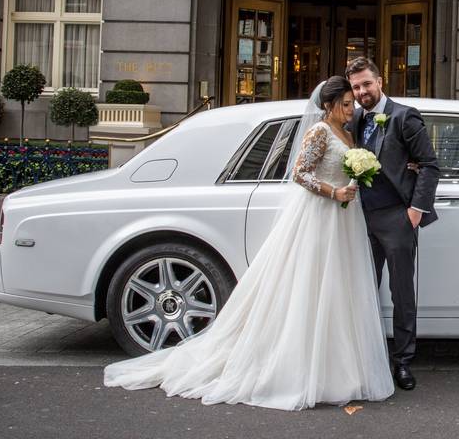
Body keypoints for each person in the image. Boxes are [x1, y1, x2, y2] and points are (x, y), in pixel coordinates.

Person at [103, 76, 394, 410]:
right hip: (321, 217)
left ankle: (342, 368)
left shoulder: (347, 131)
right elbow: (300, 173)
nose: (351, 108)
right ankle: (307, 370)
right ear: (328, 105)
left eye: (351, 103)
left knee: (341, 290)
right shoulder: (319, 131)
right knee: (311, 287)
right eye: (345, 103)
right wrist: (334, 192)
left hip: (343, 219)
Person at [345, 57, 440, 391]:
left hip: (397, 217)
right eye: (356, 87)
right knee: (363, 290)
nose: (361, 92)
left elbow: (429, 165)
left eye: (366, 84)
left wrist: (415, 211)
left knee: (401, 294)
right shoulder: (354, 117)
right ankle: (366, 360)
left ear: (380, 81)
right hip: (359, 218)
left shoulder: (403, 116)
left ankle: (402, 362)